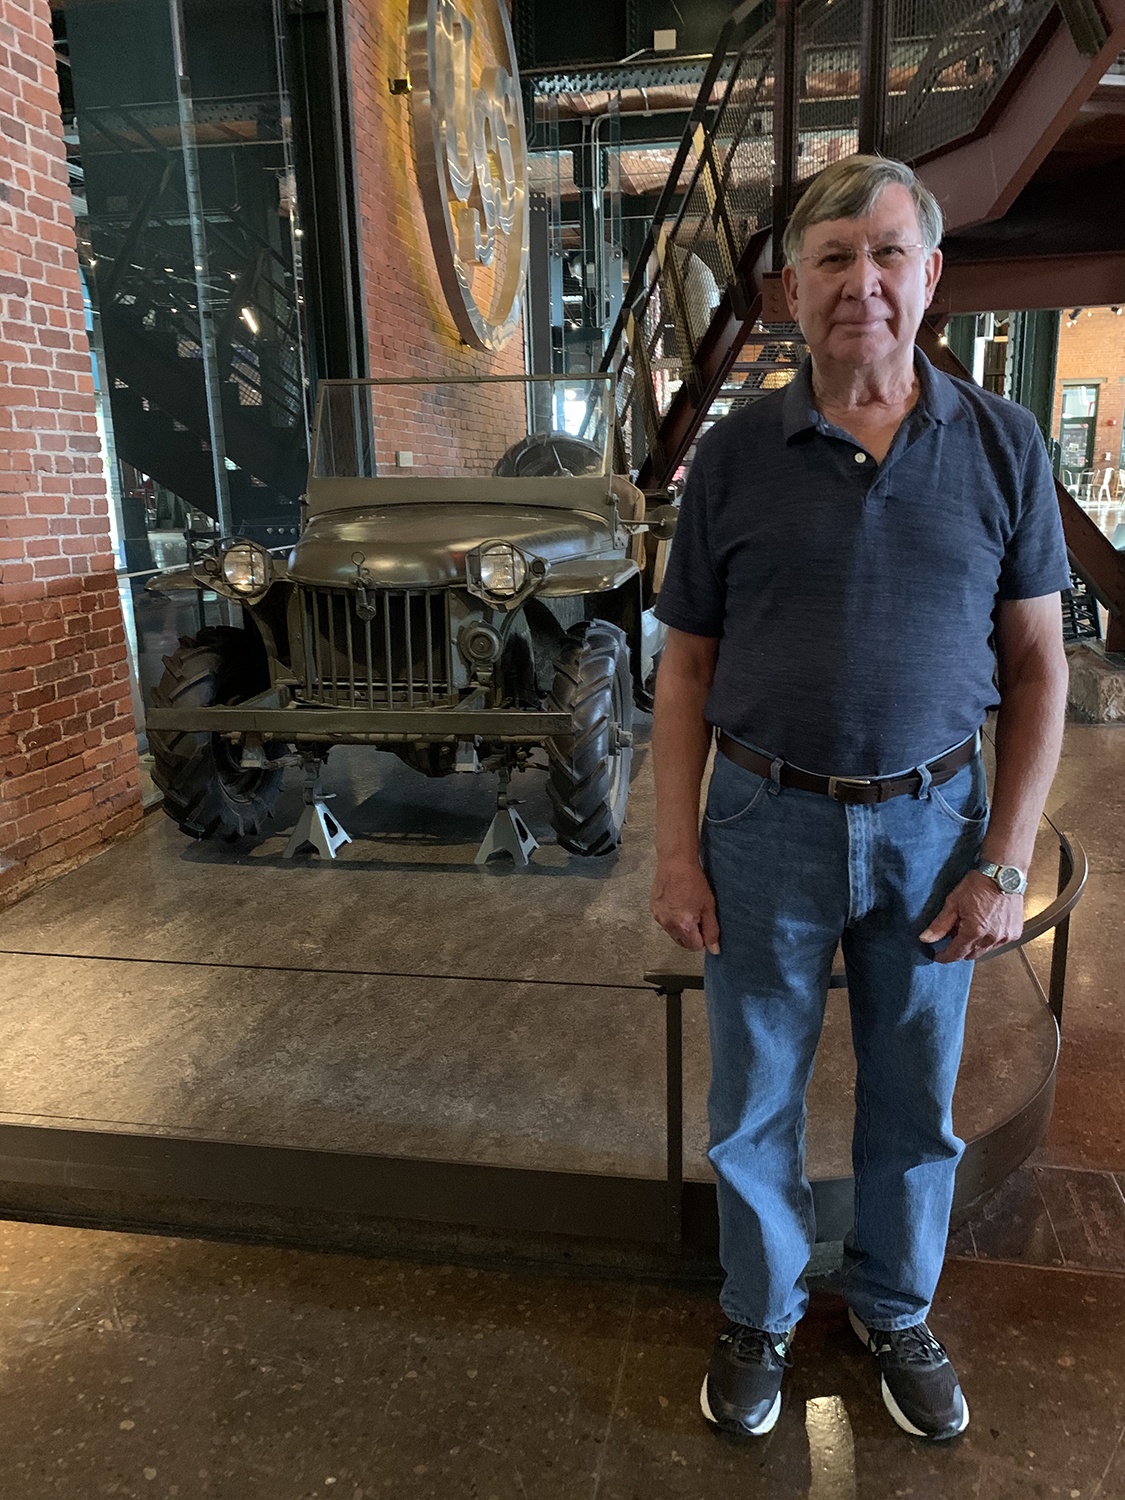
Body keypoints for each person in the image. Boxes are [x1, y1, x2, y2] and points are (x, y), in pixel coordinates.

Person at [649, 154, 1071, 1442]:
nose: (862, 284)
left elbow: (1040, 662)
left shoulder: (1000, 442)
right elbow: (688, 671)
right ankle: (762, 1312)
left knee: (914, 1095)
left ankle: (894, 1308)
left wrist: (1003, 859)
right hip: (763, 821)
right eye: (833, 259)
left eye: (888, 255)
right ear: (790, 291)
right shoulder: (732, 456)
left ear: (930, 276)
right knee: (756, 1098)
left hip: (935, 830)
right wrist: (673, 850)